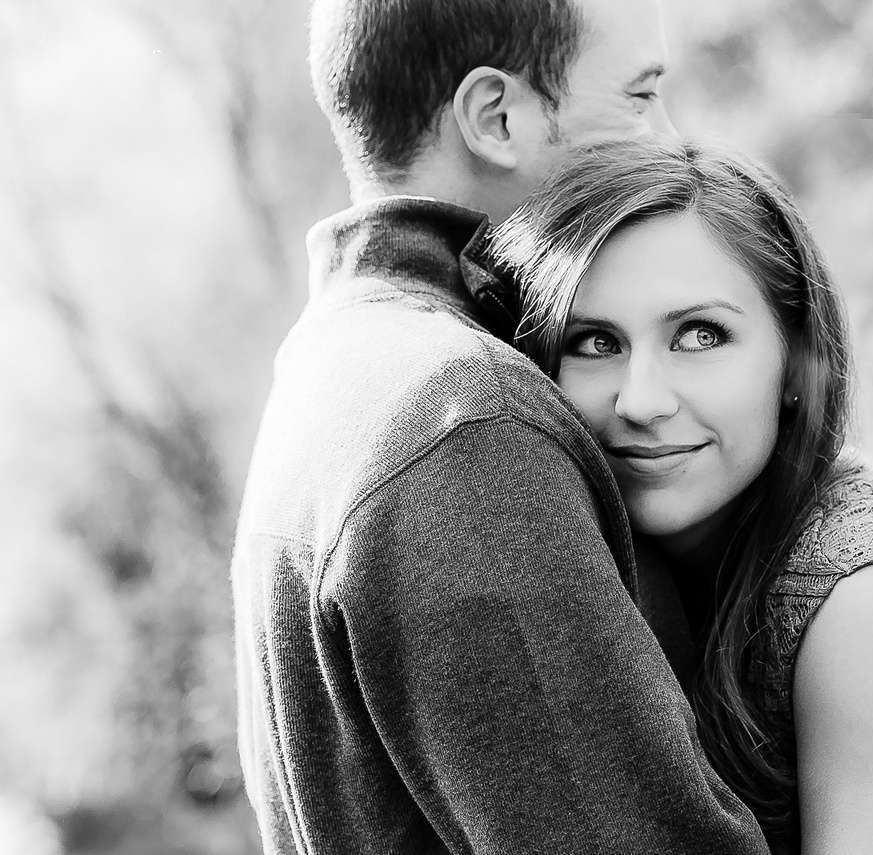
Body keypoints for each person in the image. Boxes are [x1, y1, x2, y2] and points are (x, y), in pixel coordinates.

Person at [230, 1, 770, 853]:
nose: (673, 142)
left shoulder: (335, 367)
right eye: (640, 98)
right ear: (497, 117)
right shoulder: (464, 423)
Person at [491, 138, 873, 854]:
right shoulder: (624, 563)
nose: (643, 399)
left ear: (795, 360)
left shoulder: (872, 601)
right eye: (595, 342)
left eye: (700, 334)